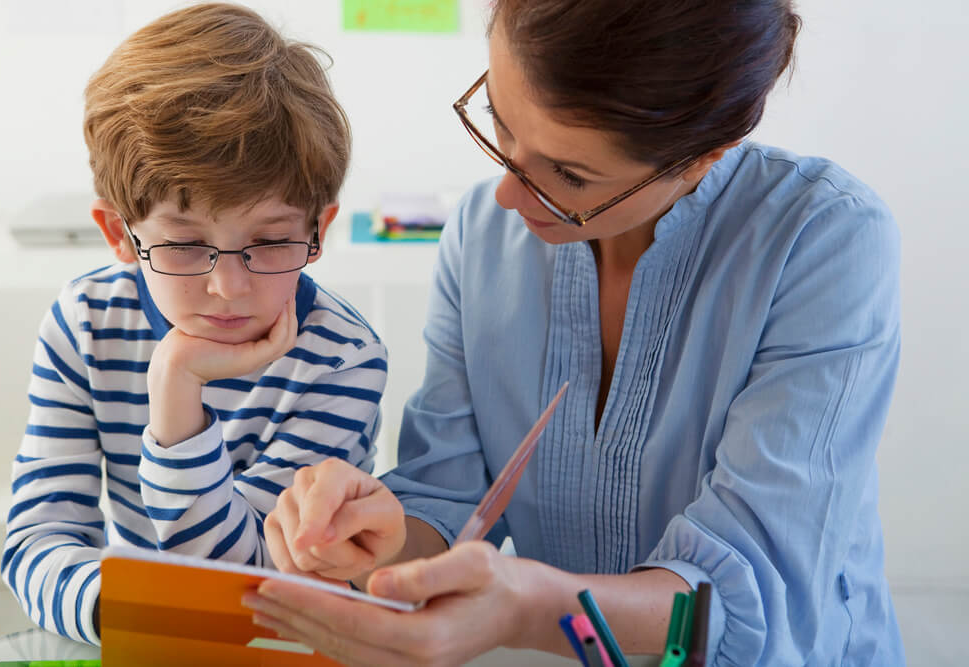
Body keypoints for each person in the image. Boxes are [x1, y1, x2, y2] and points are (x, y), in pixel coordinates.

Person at [246, 0, 905, 664]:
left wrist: (529, 608)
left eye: (570, 175)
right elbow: (446, 497)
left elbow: (741, 596)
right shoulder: (481, 233)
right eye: (499, 124)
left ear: (705, 157)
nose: (508, 192)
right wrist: (377, 540)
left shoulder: (822, 241)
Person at [0, 3, 387, 646]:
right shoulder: (85, 321)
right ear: (118, 235)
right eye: (183, 246)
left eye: (268, 242)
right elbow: (38, 535)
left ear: (317, 230)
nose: (228, 289)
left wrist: (177, 391)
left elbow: (251, 589)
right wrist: (123, 610)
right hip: (129, 633)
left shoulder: (341, 356)